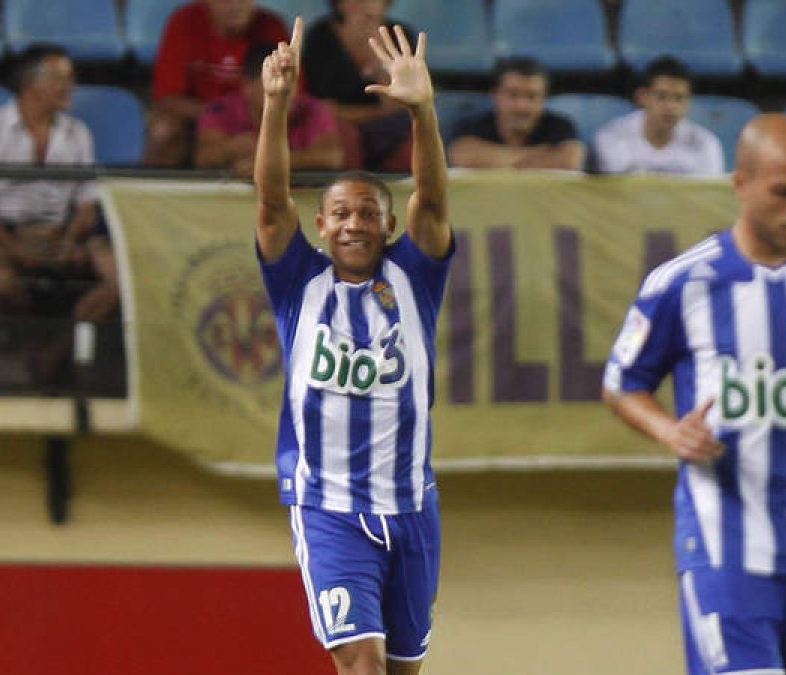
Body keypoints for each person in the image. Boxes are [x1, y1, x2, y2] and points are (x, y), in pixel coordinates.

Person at [601, 113, 786, 675]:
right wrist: (670, 430)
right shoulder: (682, 283)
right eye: (784, 192)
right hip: (722, 542)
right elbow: (622, 383)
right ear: (741, 184)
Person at [254, 18, 452, 675]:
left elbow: (433, 196)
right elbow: (270, 197)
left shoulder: (415, 273)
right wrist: (277, 106)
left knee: (400, 670)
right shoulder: (296, 281)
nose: (354, 223)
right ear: (321, 224)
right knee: (361, 665)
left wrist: (422, 112)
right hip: (330, 509)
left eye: (368, 212)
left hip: (412, 508)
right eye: (340, 212)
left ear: (389, 225)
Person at [0, 43, 119, 383]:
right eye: (61, 78)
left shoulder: (77, 133)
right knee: (0, 281)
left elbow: (87, 204)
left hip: (60, 234)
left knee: (123, 278)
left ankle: (54, 350)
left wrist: (73, 240)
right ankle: (33, 344)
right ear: (31, 83)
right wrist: (15, 248)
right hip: (0, 235)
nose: (70, 86)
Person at [146, 0, 289, 167]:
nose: (235, 6)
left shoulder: (273, 26)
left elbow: (291, 93)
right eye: (225, 1)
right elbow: (166, 99)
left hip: (258, 120)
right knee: (163, 130)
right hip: (197, 121)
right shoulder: (184, 22)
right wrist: (218, 118)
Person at [195, 42, 346, 179]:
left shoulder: (314, 109)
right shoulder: (220, 110)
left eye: (293, 79)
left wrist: (273, 162)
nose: (287, 88)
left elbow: (334, 157)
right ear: (247, 85)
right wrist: (230, 148)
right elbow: (202, 157)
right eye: (276, 78)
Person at [303, 0, 416, 171]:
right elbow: (323, 108)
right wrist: (377, 113)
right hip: (337, 125)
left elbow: (399, 104)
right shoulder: (320, 36)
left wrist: (376, 56)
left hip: (387, 125)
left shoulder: (400, 35)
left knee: (413, 131)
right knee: (345, 134)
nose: (363, 6)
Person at [446, 56, 586, 171]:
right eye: (513, 95)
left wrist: (492, 158)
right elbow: (461, 156)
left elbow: (571, 160)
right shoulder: (471, 126)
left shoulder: (560, 125)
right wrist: (538, 154)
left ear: (544, 99)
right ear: (495, 95)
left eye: (531, 96)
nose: (522, 106)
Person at [593, 56, 725, 176]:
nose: (670, 106)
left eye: (679, 98)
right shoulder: (612, 138)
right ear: (642, 97)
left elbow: (708, 201)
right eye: (661, 96)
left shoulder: (705, 144)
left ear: (689, 101)